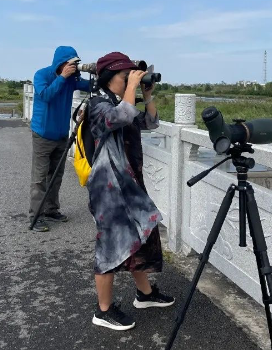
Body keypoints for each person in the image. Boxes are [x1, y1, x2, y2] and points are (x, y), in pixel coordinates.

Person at [84, 52, 174, 331]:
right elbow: (118, 118)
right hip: (109, 188)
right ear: (111, 77)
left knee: (142, 236)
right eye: (126, 76)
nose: (130, 80)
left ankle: (145, 294)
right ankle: (103, 311)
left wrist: (147, 95)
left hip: (130, 183)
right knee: (111, 245)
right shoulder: (97, 104)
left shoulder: (121, 102)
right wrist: (132, 88)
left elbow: (151, 122)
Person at [29, 46, 91, 232]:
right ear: (61, 63)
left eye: (75, 63)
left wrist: (101, 74)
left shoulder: (72, 79)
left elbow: (90, 87)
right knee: (40, 178)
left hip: (61, 135)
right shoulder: (42, 75)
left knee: (56, 176)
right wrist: (62, 77)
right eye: (70, 63)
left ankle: (51, 210)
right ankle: (36, 216)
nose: (73, 66)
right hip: (43, 135)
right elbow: (46, 95)